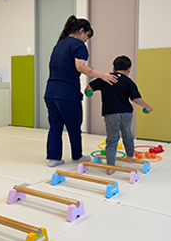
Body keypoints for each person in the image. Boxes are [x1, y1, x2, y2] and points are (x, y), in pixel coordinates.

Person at [44, 15, 117, 168]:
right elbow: (81, 67)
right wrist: (102, 75)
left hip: (51, 92)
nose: (85, 41)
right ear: (81, 31)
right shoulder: (78, 45)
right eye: (87, 37)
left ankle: (54, 158)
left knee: (55, 126)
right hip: (67, 93)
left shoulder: (59, 44)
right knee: (73, 126)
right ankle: (77, 156)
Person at [86, 55, 153, 173]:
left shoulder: (105, 78)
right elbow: (136, 99)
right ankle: (130, 156)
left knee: (112, 140)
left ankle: (110, 168)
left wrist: (89, 92)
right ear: (129, 69)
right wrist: (147, 106)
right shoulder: (128, 81)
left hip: (111, 114)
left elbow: (89, 87)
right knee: (127, 133)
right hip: (126, 113)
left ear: (113, 68)